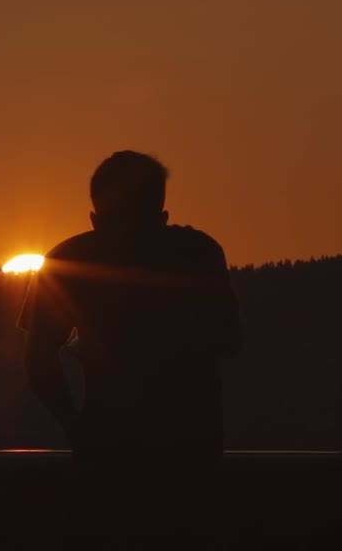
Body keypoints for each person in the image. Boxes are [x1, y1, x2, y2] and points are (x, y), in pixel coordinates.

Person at [18, 150, 242, 542]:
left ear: (94, 216)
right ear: (162, 212)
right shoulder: (199, 254)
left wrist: (74, 427)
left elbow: (38, 360)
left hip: (107, 456)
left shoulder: (68, 261)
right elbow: (230, 341)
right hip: (193, 457)